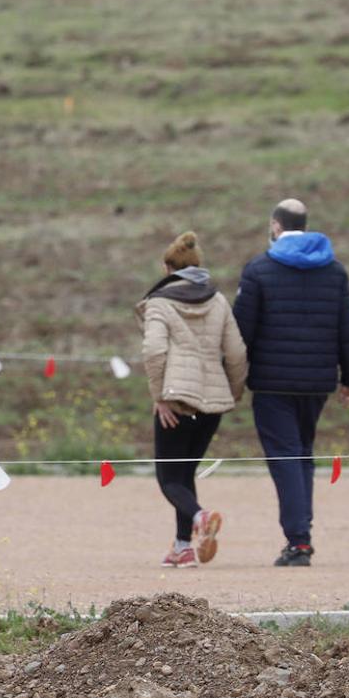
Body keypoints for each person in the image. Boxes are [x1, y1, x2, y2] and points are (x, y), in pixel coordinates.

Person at [233, 199, 349, 567]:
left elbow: (241, 332)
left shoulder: (259, 269)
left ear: (275, 226)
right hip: (318, 383)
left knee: (286, 457)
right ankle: (300, 531)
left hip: (271, 383)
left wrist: (233, 379)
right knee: (303, 455)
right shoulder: (335, 271)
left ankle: (299, 540)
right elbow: (348, 331)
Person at [137, 231, 247, 568]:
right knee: (185, 474)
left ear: (167, 267)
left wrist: (160, 396)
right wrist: (232, 393)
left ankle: (200, 518)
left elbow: (155, 350)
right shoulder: (218, 301)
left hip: (176, 400)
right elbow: (237, 353)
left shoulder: (159, 303)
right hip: (211, 404)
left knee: (169, 478)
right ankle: (183, 546)